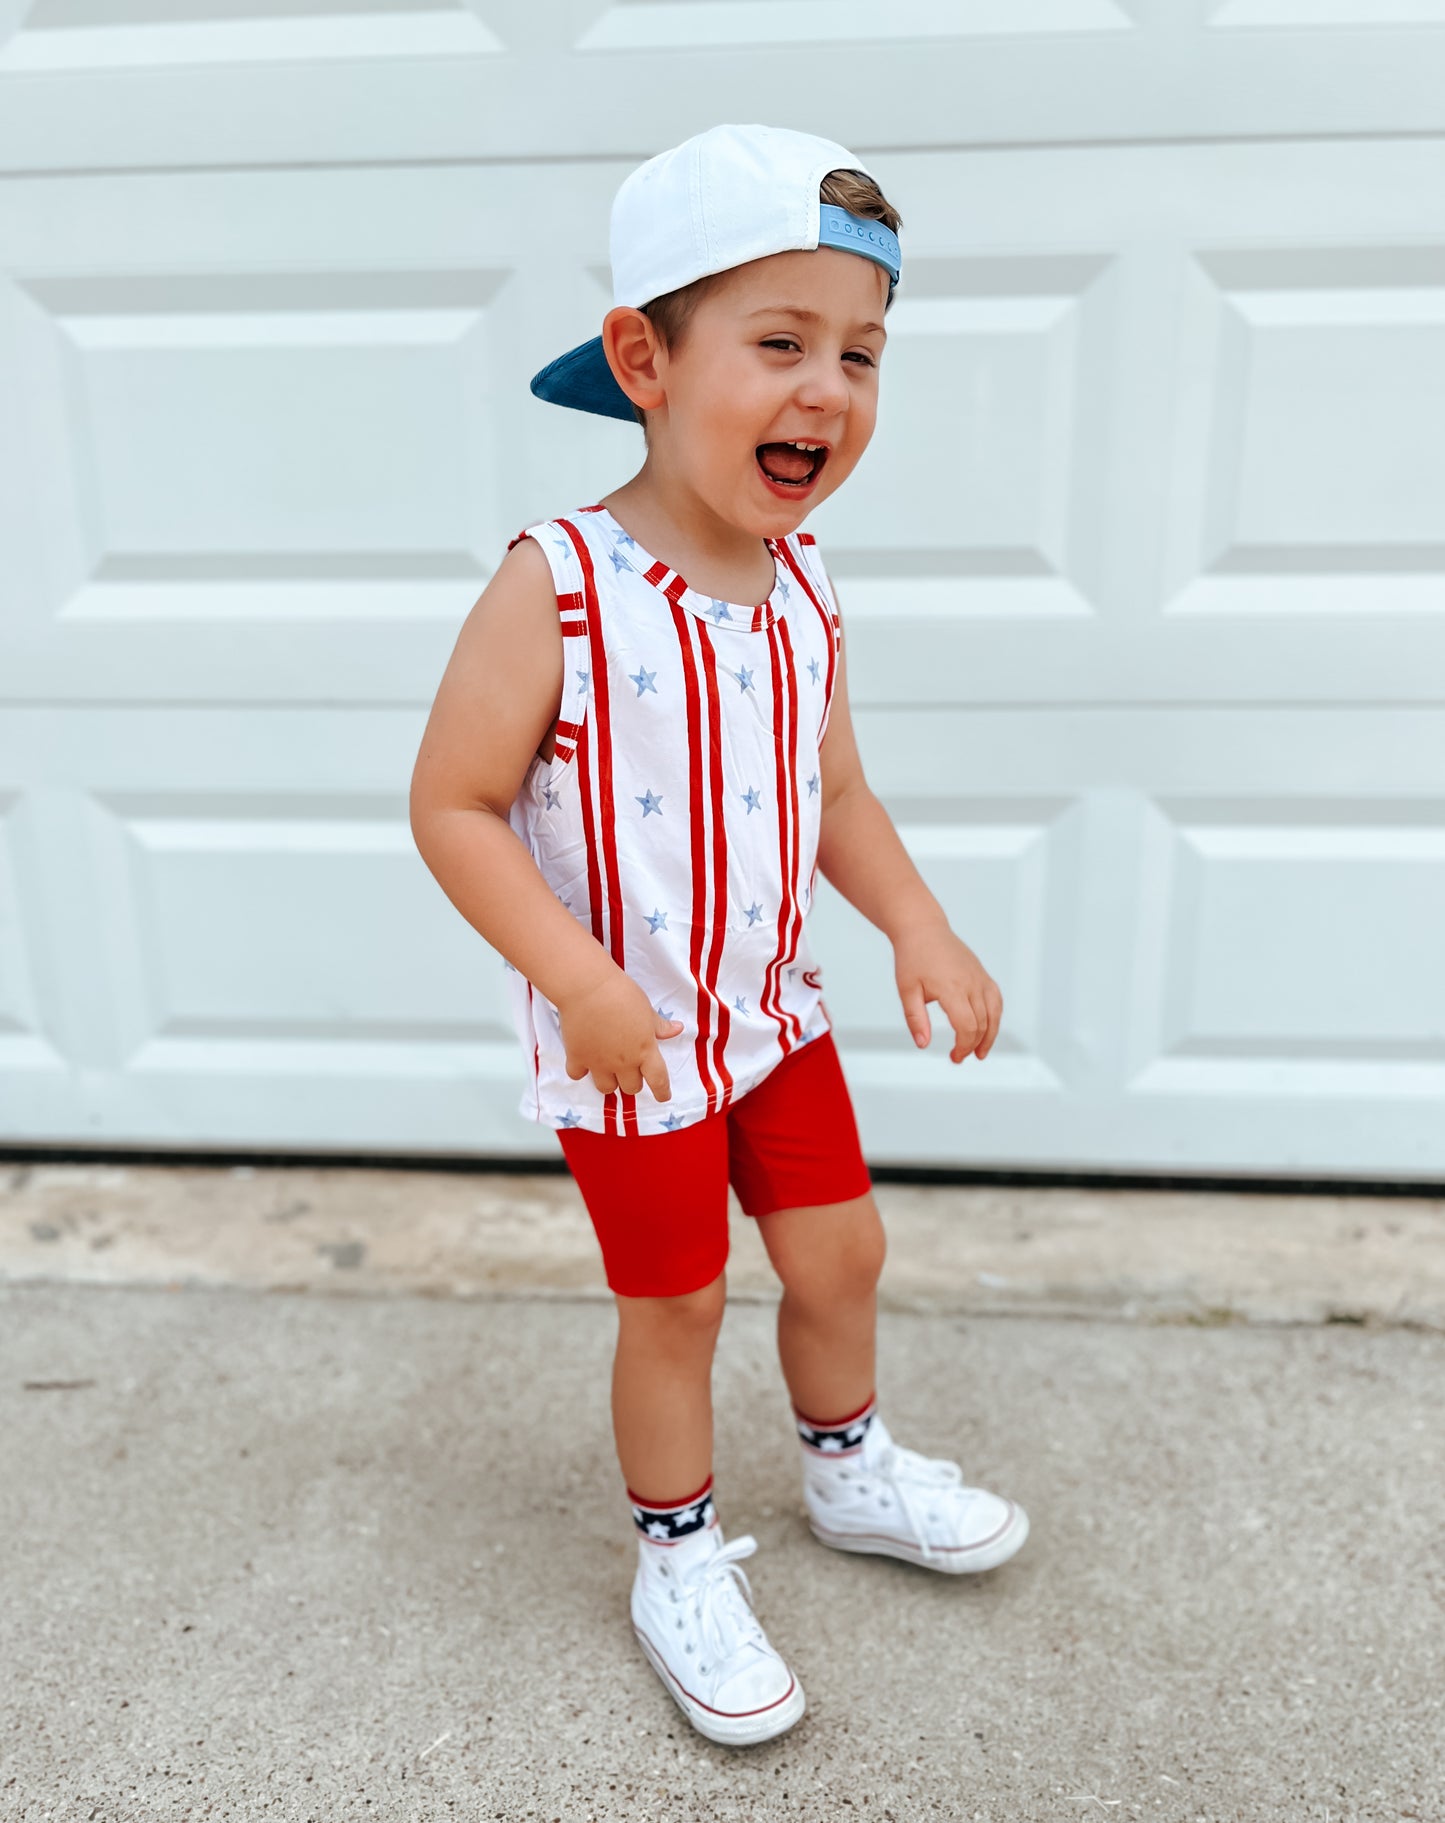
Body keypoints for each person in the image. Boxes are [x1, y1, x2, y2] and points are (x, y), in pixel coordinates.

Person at [409, 123, 1029, 1748]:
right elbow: (453, 807)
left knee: (840, 1253)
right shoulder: (556, 587)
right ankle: (675, 1556)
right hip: (635, 1047)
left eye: (860, 353)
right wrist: (579, 983)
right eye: (778, 343)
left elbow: (832, 792)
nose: (828, 389)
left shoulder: (801, 587)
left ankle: (845, 1470)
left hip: (775, 1018)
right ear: (644, 359)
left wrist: (918, 927)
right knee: (675, 1305)